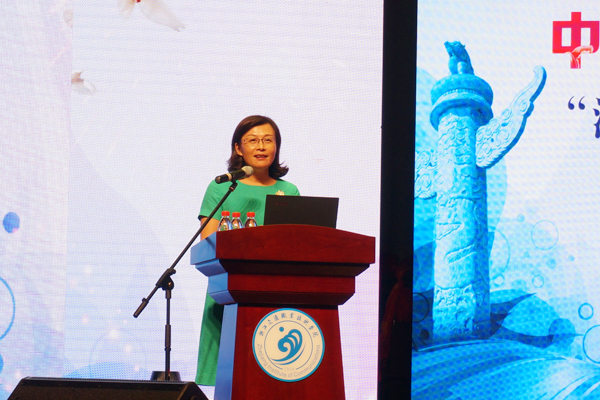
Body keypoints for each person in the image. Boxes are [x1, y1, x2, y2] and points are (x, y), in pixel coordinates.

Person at [195, 115, 299, 386]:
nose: (261, 147)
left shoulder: (289, 191)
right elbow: (208, 241)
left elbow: (296, 245)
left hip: (274, 293)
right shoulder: (223, 187)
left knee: (268, 381)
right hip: (229, 290)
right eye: (252, 140)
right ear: (238, 148)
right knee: (231, 378)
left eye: (268, 140)